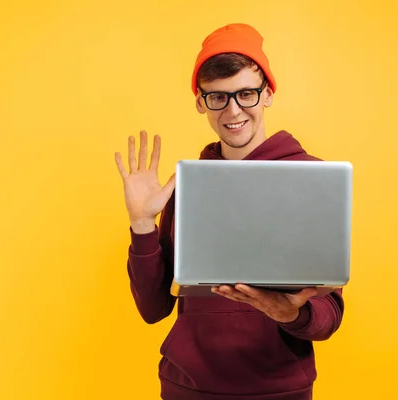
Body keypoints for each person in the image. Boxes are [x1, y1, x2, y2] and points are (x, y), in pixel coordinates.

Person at [114, 23, 344, 400]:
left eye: (247, 94)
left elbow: (329, 315)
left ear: (267, 94)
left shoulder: (312, 178)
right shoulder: (187, 185)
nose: (233, 110)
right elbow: (153, 308)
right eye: (218, 97)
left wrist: (291, 314)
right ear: (201, 103)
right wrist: (142, 223)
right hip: (186, 387)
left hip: (279, 389)